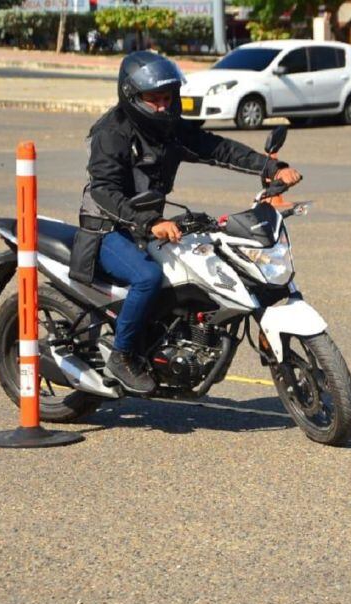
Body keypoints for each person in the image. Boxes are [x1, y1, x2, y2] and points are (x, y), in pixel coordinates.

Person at [69, 51, 302, 393]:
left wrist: (271, 168)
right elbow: (104, 191)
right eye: (154, 99)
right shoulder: (112, 133)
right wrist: (150, 223)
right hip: (106, 229)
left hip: (147, 224)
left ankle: (172, 341)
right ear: (133, 96)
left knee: (205, 259)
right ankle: (122, 356)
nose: (163, 106)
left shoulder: (170, 129)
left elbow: (216, 148)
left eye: (168, 98)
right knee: (147, 277)